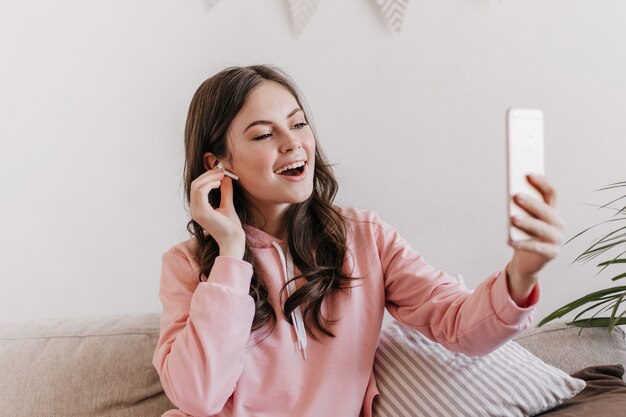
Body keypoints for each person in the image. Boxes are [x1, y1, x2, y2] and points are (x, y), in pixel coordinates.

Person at [152, 65, 564, 417]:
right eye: (263, 135)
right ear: (217, 163)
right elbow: (198, 396)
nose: (293, 142)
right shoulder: (188, 266)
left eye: (298, 123)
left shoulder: (365, 237)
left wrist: (521, 274)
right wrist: (230, 254)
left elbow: (458, 324)